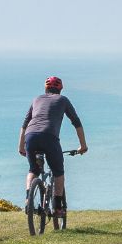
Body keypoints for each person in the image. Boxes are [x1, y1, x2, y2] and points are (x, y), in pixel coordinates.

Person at [19, 76, 87, 216]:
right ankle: (57, 208)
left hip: (30, 137)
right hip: (49, 137)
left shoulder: (36, 99)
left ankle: (28, 201)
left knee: (33, 169)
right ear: (60, 90)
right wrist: (83, 145)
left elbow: (25, 125)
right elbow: (76, 122)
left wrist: (21, 146)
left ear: (45, 88)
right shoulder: (63, 100)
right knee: (58, 172)